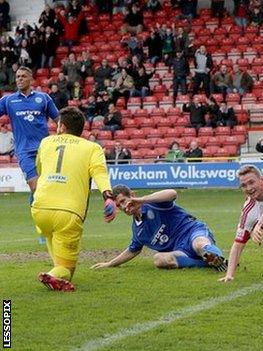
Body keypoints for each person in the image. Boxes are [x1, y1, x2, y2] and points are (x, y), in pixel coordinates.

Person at [31, 107, 117, 292]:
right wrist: (108, 197)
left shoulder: (46, 142)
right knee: (68, 269)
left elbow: (39, 169)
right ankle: (55, 274)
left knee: (50, 234)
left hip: (39, 207)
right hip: (68, 213)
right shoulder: (92, 148)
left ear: (61, 126)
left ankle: (55, 272)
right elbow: (100, 173)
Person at [91, 185, 226, 271]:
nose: (123, 206)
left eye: (123, 201)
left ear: (132, 195)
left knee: (199, 245)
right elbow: (132, 250)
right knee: (159, 260)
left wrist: (142, 200)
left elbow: (172, 193)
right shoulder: (138, 231)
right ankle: (208, 262)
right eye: (119, 206)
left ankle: (219, 258)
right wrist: (109, 264)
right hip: (180, 251)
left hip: (192, 232)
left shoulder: (153, 203)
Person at [0, 67, 59, 196]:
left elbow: (59, 120)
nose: (20, 79)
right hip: (24, 151)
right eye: (17, 77)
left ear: (31, 79)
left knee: (46, 186)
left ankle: (38, 213)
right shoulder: (8, 100)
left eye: (23, 76)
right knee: (36, 187)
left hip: (45, 149)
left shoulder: (44, 98)